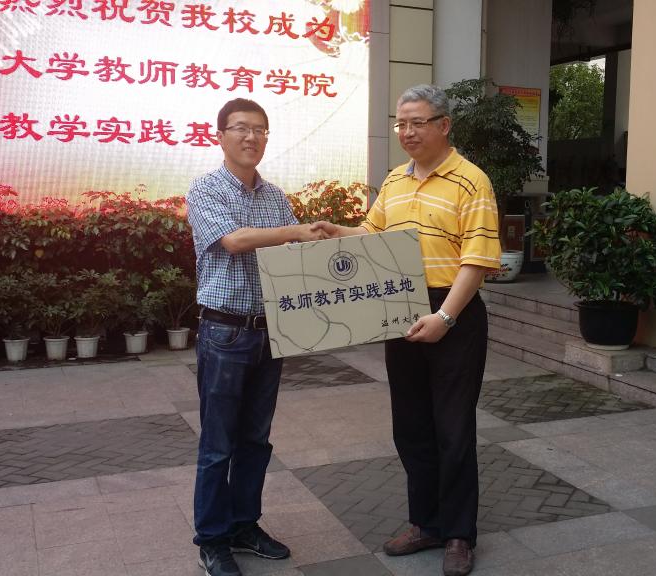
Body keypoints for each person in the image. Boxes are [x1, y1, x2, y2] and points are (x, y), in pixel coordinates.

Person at [313, 84, 500, 576]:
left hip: (453, 312)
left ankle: (458, 534)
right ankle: (426, 524)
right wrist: (338, 233)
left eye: (418, 122)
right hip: (400, 308)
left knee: (453, 429)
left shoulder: (471, 181)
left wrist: (445, 318)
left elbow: (477, 260)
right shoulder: (395, 180)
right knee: (411, 426)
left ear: (444, 125)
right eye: (401, 123)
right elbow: (372, 236)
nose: (408, 132)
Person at [185, 98, 325, 576]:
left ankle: (244, 525)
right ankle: (212, 539)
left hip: (270, 331)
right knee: (218, 444)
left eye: (260, 130)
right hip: (225, 333)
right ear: (220, 135)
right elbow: (234, 241)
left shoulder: (275, 197)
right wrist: (294, 233)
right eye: (241, 128)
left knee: (255, 440)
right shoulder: (206, 189)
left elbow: (293, 258)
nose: (251, 137)